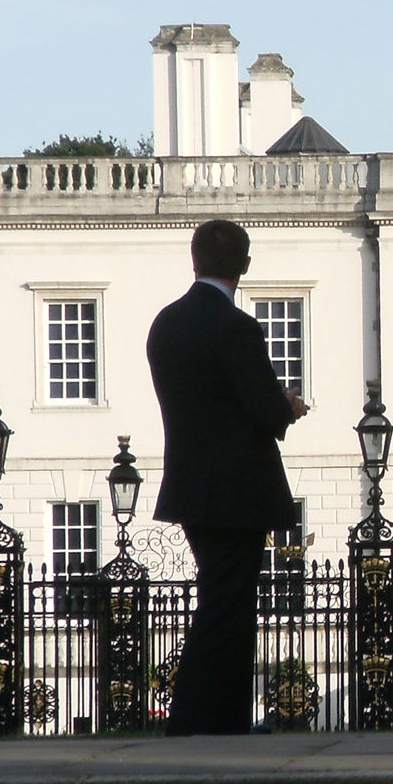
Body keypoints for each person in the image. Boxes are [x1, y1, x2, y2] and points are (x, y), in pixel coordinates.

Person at [148, 219, 309, 735]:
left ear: (194, 260)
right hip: (238, 489)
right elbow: (264, 407)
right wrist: (289, 406)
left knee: (221, 598)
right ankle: (200, 720)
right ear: (244, 265)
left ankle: (219, 719)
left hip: (190, 485)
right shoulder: (237, 327)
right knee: (230, 606)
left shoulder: (165, 324)